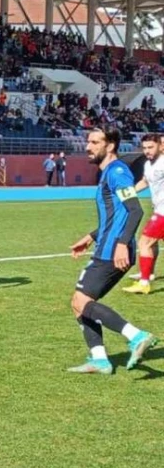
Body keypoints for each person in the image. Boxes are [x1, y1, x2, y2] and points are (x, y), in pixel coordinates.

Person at [68, 127, 156, 374]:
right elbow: (115, 215)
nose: (88, 146)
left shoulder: (117, 172)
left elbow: (135, 210)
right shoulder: (109, 172)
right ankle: (100, 360)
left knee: (81, 300)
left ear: (111, 145)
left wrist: (120, 244)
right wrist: (90, 236)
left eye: (95, 142)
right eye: (88, 141)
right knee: (79, 304)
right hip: (106, 244)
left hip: (111, 250)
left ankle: (136, 336)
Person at [124, 134, 164, 295]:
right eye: (145, 148)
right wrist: (127, 194)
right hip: (158, 209)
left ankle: (144, 282)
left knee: (144, 242)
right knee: (151, 243)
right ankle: (149, 273)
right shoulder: (148, 164)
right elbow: (145, 182)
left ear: (160, 146)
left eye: (151, 147)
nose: (147, 151)